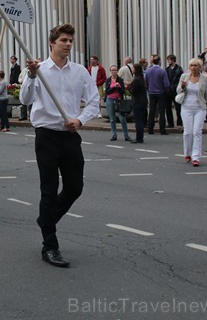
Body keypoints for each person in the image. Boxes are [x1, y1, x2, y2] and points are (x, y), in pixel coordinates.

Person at [20, 23, 99, 268]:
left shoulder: (79, 72)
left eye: (70, 41)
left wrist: (80, 119)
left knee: (75, 187)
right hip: (46, 135)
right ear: (51, 43)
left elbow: (94, 102)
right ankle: (50, 246)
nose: (67, 44)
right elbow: (25, 99)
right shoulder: (39, 69)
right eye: (63, 40)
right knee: (49, 189)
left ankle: (47, 219)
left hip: (70, 135)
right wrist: (32, 76)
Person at [175, 58, 207, 167]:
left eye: (196, 65)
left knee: (197, 132)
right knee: (187, 132)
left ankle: (195, 157)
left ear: (200, 67)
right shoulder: (184, 77)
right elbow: (178, 90)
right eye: (191, 65)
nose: (193, 67)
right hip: (186, 106)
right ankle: (187, 153)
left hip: (200, 107)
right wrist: (182, 87)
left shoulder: (205, 78)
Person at [104, 65, 131, 142]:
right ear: (110, 71)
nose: (114, 72)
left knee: (122, 118)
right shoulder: (108, 80)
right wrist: (114, 87)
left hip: (118, 100)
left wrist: (118, 87)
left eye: (115, 70)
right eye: (112, 70)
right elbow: (107, 91)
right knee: (112, 119)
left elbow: (123, 91)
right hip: (110, 100)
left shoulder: (120, 80)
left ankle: (126, 135)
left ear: (117, 71)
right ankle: (114, 134)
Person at [145, 55, 170, 135]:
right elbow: (166, 84)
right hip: (161, 92)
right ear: (159, 61)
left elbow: (146, 81)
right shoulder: (162, 71)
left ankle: (150, 129)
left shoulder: (148, 71)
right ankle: (162, 129)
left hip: (151, 92)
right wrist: (167, 91)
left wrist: (149, 88)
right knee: (161, 111)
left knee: (152, 111)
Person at [129, 64, 148, 144]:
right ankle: (140, 137)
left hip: (137, 102)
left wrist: (129, 87)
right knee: (140, 120)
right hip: (143, 101)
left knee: (138, 121)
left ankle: (139, 138)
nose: (132, 69)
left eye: (133, 68)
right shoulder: (141, 79)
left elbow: (133, 91)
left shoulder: (136, 80)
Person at [165, 54, 183, 128]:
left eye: (169, 60)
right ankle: (170, 123)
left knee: (178, 107)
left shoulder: (179, 69)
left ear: (172, 60)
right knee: (168, 107)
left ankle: (179, 123)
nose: (168, 61)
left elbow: (180, 79)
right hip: (169, 91)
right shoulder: (166, 69)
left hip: (176, 90)